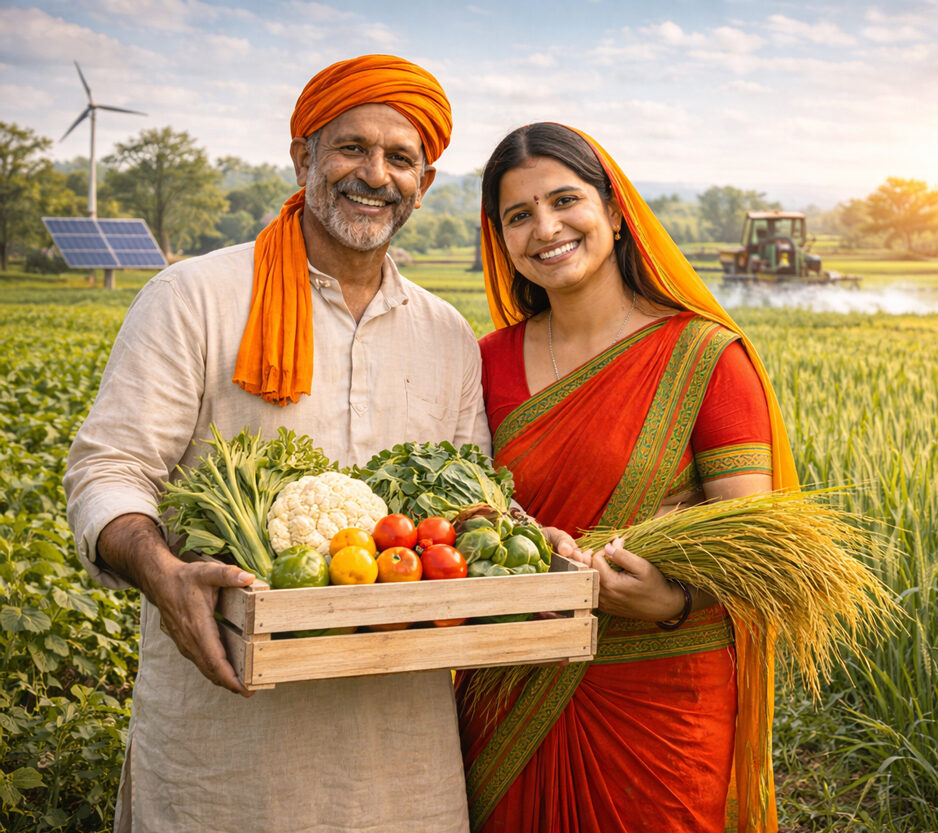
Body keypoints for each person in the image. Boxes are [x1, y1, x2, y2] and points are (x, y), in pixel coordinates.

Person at [64, 55, 488, 833]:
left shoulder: (449, 335)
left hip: (398, 741)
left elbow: (466, 510)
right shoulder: (193, 298)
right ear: (304, 157)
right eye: (351, 147)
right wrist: (161, 570)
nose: (375, 173)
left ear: (423, 185)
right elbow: (109, 471)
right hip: (225, 728)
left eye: (400, 158)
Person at [455, 123, 800, 833]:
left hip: (664, 698)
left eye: (564, 200)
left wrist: (671, 597)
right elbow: (448, 516)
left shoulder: (703, 357)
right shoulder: (482, 363)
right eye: (519, 215)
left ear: (614, 211)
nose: (545, 228)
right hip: (513, 687)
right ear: (502, 240)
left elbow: (757, 548)